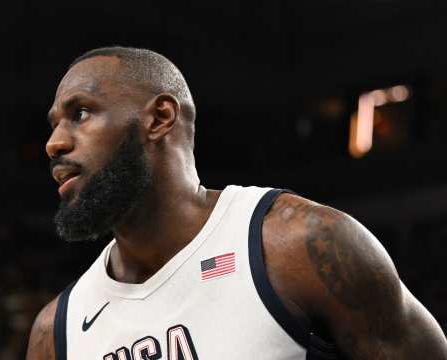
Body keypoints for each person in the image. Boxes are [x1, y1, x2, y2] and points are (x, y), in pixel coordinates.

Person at [27, 46, 447, 359]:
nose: (54, 143)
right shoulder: (56, 331)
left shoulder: (300, 246)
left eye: (80, 113)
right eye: (54, 124)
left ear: (159, 119)